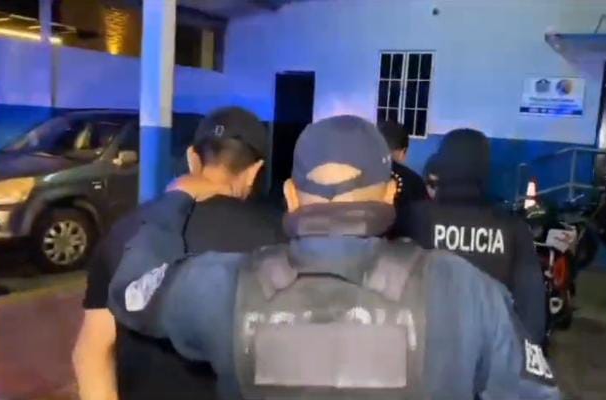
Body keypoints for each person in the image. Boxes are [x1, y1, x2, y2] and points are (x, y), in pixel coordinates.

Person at [106, 115, 561, 399]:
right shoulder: (465, 292)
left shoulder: (224, 286)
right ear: (389, 195)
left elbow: (129, 292)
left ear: (291, 196)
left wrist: (175, 201)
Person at [72, 107, 285, 400]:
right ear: (255, 171)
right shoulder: (279, 240)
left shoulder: (127, 231)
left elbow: (91, 354)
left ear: (192, 158)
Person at [398, 128, 546, 344]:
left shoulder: (413, 217)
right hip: (487, 350)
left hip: (419, 346)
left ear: (442, 165)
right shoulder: (512, 228)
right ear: (484, 169)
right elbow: (532, 314)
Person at [377, 120, 428, 238]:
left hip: (360, 247)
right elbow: (424, 223)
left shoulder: (357, 176)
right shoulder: (414, 182)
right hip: (403, 246)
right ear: (403, 152)